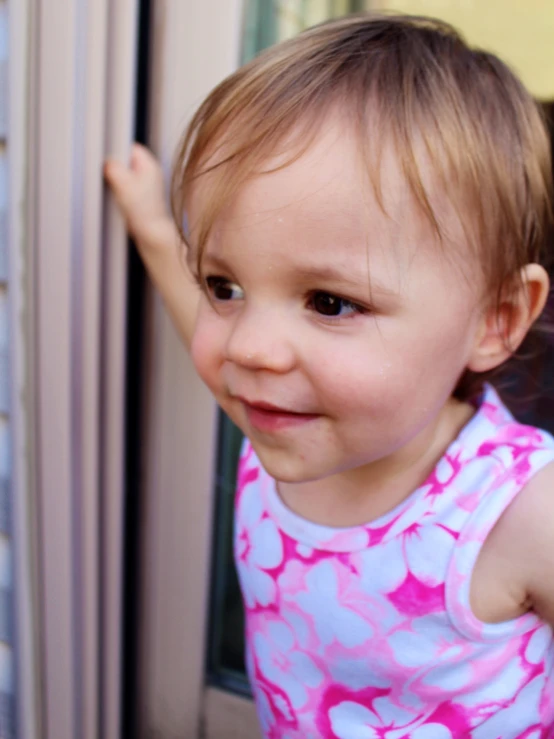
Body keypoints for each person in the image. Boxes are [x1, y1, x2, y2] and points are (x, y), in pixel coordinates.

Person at [105, 14, 554, 737]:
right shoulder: (286, 409)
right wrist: (158, 231)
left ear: (495, 318)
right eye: (225, 284)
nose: (249, 347)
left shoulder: (520, 512)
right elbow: (206, 331)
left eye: (330, 302)